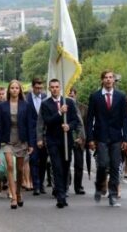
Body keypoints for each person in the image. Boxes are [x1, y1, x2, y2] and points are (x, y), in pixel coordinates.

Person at [87, 69, 127, 207]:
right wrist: (90, 138)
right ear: (102, 80)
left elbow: (124, 118)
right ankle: (99, 186)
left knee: (115, 166)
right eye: (106, 77)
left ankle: (113, 195)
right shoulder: (95, 96)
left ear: (114, 80)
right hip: (101, 136)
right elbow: (90, 119)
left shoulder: (121, 96)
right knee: (103, 163)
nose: (109, 80)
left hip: (116, 136)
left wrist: (126, 138)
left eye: (111, 77)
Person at [41, 79, 79, 208]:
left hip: (66, 140)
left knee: (65, 167)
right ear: (49, 88)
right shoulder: (45, 104)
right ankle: (61, 197)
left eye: (57, 87)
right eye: (52, 87)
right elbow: (48, 121)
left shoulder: (69, 102)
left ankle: (62, 189)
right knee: (56, 167)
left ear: (60, 87)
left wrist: (69, 126)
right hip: (53, 140)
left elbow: (75, 120)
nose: (55, 89)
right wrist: (59, 113)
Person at [0, 80, 32, 209]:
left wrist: (30, 143)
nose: (15, 90)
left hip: (21, 139)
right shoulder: (3, 106)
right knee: (10, 166)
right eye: (12, 88)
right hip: (7, 140)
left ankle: (18, 192)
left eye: (17, 88)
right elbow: (0, 125)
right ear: (9, 90)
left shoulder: (25, 105)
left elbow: (29, 125)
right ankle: (13, 197)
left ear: (20, 90)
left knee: (20, 169)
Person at [26, 78, 48, 196]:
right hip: (32, 134)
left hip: (44, 133)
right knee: (34, 159)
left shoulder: (45, 97)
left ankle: (41, 183)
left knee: (43, 160)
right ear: (32, 87)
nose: (39, 90)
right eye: (37, 88)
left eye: (41, 88)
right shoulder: (26, 99)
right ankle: (36, 185)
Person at [68, 87, 87, 195]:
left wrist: (83, 137)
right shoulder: (64, 105)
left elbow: (85, 124)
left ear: (76, 95)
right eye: (69, 94)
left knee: (79, 164)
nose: (71, 96)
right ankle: (66, 182)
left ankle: (78, 186)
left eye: (72, 94)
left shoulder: (83, 108)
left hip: (79, 139)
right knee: (66, 162)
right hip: (68, 137)